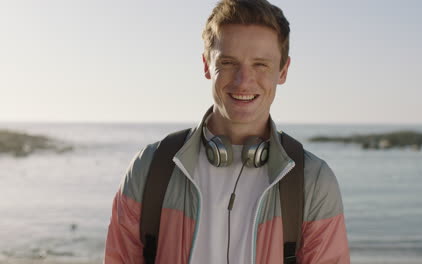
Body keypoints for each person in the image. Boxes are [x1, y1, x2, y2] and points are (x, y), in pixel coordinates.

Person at [104, 0, 350, 263]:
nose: (243, 81)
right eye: (229, 62)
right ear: (207, 65)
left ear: (283, 70)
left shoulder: (313, 182)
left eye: (260, 64)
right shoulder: (149, 168)